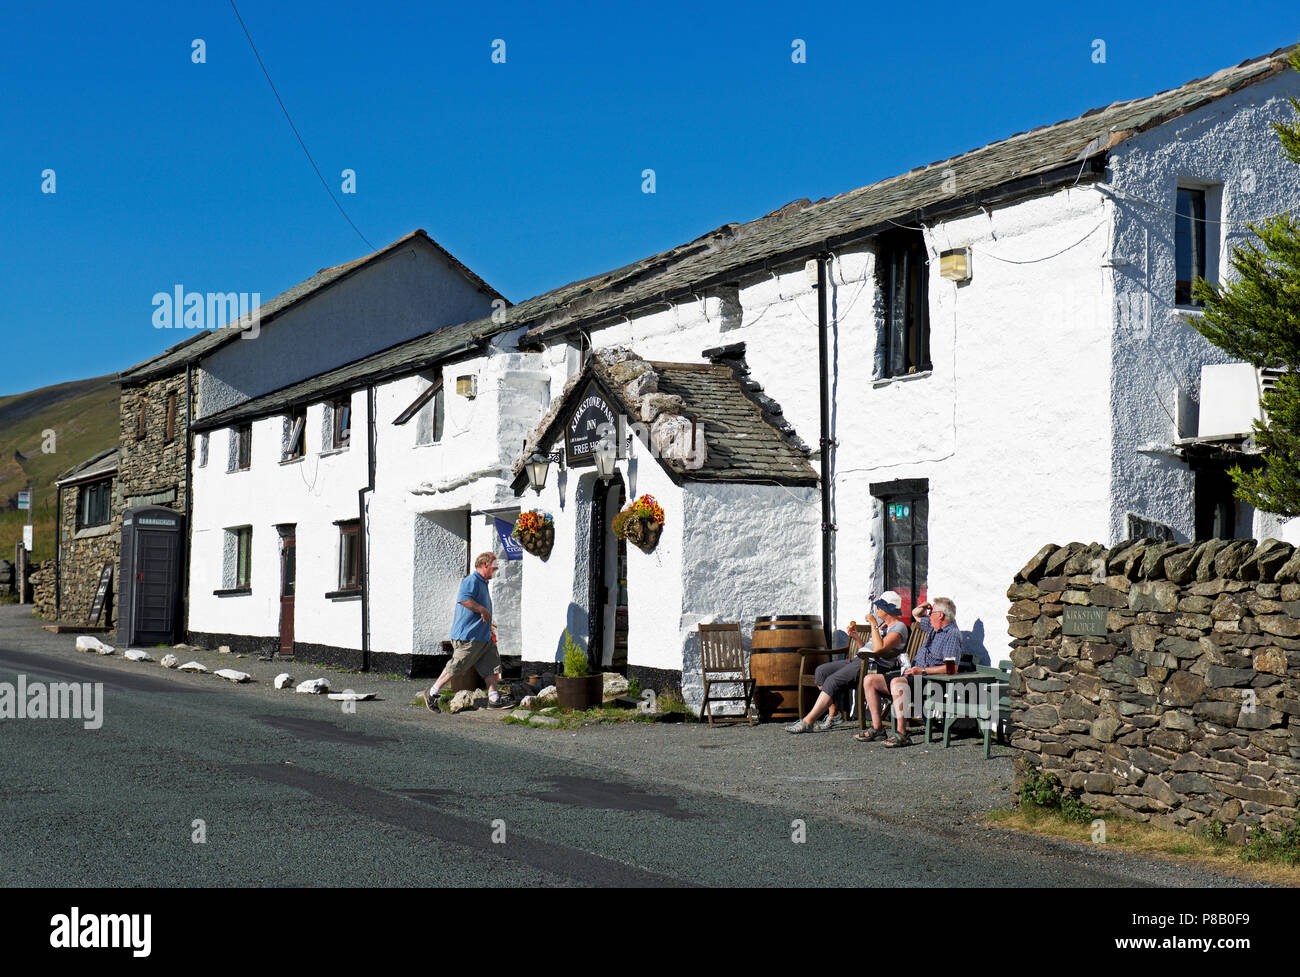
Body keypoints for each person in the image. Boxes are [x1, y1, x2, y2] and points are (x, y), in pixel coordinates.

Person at [786, 591, 908, 734]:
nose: (877, 610)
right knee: (821, 671)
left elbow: (879, 649)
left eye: (880, 607)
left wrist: (873, 625)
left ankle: (808, 722)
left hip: (873, 666)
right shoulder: (883, 626)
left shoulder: (899, 627)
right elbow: (867, 649)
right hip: (861, 660)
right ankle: (834, 713)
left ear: (888, 610)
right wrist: (856, 637)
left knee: (833, 680)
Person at [420, 552, 514, 711]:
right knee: (457, 666)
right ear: (485, 565)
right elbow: (464, 599)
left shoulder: (483, 583)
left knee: (491, 665)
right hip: (468, 636)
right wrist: (482, 610)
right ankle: (432, 692)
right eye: (494, 566)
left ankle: (494, 698)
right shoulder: (471, 580)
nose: (496, 569)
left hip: (483, 637)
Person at [871, 596, 963, 748]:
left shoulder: (951, 634)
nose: (928, 615)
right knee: (870, 680)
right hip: (914, 674)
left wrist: (923, 670)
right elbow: (916, 614)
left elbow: (952, 669)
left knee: (897, 682)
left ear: (940, 615)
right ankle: (877, 728)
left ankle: (902, 734)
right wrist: (923, 607)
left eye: (931, 612)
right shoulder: (935, 627)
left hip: (932, 681)